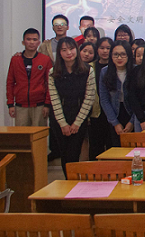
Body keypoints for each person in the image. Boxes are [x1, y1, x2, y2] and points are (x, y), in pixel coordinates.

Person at [48, 37, 96, 175]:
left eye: (71, 49)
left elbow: (89, 98)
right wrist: (63, 124)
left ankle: (74, 182)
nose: (69, 53)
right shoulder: (53, 72)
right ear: (59, 52)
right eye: (64, 50)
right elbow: (54, 99)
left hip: (79, 118)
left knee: (73, 154)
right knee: (64, 154)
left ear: (77, 49)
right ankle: (68, 182)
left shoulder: (87, 70)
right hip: (59, 119)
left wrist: (77, 123)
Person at [7, 28, 52, 126]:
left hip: (39, 105)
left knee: (39, 134)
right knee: (21, 135)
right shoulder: (15, 60)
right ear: (23, 42)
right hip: (20, 106)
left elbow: (50, 83)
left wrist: (47, 104)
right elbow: (10, 83)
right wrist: (10, 104)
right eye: (28, 39)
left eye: (34, 40)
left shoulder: (45, 60)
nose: (31, 42)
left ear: (38, 42)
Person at [99, 41, 134, 146]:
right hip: (114, 113)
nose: (119, 58)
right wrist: (115, 123)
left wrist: (132, 121)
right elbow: (104, 99)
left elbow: (141, 99)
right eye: (116, 54)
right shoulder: (105, 72)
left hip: (133, 113)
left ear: (128, 55)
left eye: (123, 54)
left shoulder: (136, 71)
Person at [79, 41, 104, 160]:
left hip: (98, 110)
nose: (87, 54)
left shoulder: (95, 68)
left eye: (90, 52)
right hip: (82, 110)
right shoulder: (84, 68)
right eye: (84, 51)